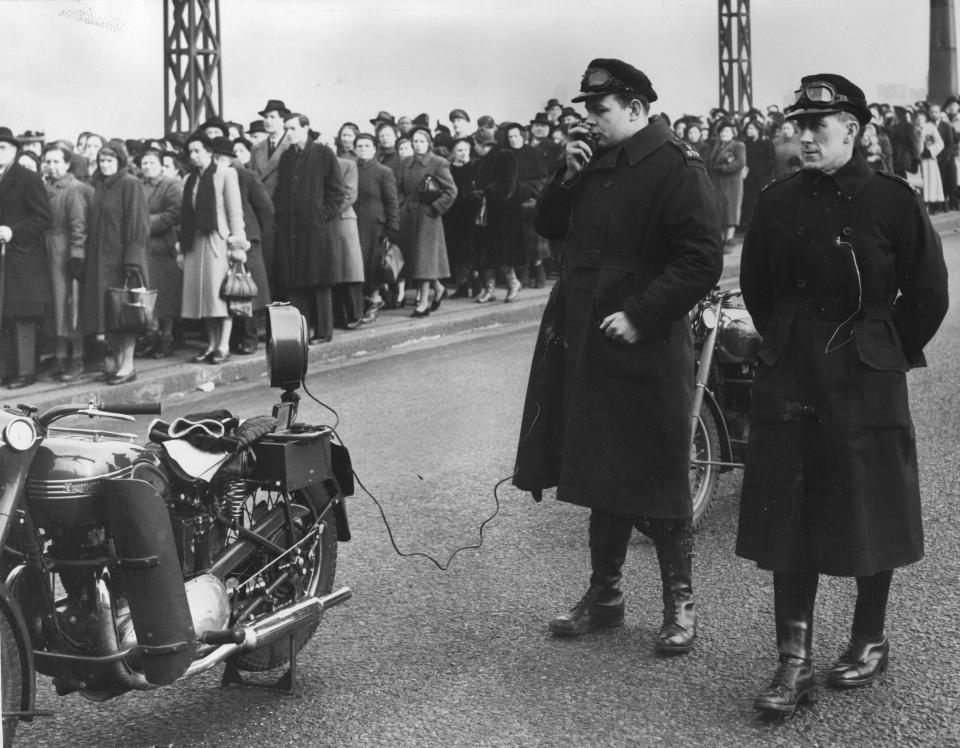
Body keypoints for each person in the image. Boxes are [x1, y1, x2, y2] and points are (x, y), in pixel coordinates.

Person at [737, 74, 948, 715]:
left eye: (817, 127)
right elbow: (757, 288)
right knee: (789, 505)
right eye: (797, 126)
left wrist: (882, 348)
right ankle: (792, 662)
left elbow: (929, 293)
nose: (802, 137)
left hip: (863, 372)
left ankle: (869, 637)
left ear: (851, 130)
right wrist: (788, 340)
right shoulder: (775, 202)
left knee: (866, 498)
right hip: (794, 367)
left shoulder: (892, 200)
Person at [513, 59, 723, 654]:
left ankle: (680, 605)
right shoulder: (594, 161)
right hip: (586, 332)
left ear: (635, 108)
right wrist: (564, 176)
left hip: (644, 340)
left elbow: (701, 258)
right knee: (597, 463)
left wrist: (641, 314)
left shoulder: (676, 166)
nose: (590, 121)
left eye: (600, 111)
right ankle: (604, 596)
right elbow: (552, 226)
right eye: (587, 110)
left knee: (657, 467)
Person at [272, 113, 345, 343]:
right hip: (292, 230)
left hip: (316, 229)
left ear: (306, 128)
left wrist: (322, 215)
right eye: (286, 129)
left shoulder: (323, 153)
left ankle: (324, 331)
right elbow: (281, 191)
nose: (289, 133)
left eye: (293, 128)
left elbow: (336, 191)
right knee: (296, 281)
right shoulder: (286, 158)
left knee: (320, 280)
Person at [82, 142, 149, 384]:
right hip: (100, 261)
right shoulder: (98, 185)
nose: (105, 165)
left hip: (122, 261)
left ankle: (128, 365)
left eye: (109, 160)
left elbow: (138, 223)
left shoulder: (130, 183)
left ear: (120, 161)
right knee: (107, 314)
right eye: (101, 161)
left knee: (125, 315)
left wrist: (133, 260)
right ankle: (120, 362)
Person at [176, 132, 247, 365]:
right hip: (195, 242)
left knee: (221, 294)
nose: (194, 156)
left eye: (198, 151)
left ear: (209, 151)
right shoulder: (189, 179)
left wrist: (237, 244)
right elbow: (185, 215)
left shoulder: (226, 173)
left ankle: (223, 344)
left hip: (218, 240)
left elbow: (234, 211)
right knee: (203, 296)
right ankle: (211, 344)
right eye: (191, 152)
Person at [0, 127, 53, 388]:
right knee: (4, 316)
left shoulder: (27, 177)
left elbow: (44, 218)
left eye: (2, 148)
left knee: (23, 317)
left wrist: (14, 232)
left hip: (23, 259)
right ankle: (6, 370)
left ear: (14, 150)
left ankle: (26, 371)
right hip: (4, 261)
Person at [41, 143, 92, 381]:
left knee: (71, 306)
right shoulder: (45, 186)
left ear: (67, 164)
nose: (51, 166)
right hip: (48, 251)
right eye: (48, 161)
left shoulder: (74, 189)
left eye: (56, 162)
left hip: (65, 253)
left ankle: (77, 358)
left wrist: (77, 255)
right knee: (56, 306)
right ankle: (60, 357)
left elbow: (78, 225)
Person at [396, 127, 457, 317]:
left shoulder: (438, 163)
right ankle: (438, 288)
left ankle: (423, 303)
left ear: (429, 143)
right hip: (409, 215)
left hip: (427, 217)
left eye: (421, 141)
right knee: (415, 259)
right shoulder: (406, 162)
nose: (417, 145)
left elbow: (451, 191)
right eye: (414, 141)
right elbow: (399, 188)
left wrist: (435, 208)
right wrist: (401, 206)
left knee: (424, 260)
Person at [138, 147, 183, 359]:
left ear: (160, 165)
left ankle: (166, 338)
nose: (147, 167)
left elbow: (175, 212)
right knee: (148, 295)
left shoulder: (171, 185)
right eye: (144, 163)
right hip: (143, 247)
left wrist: (146, 224)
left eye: (152, 163)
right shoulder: (137, 185)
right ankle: (151, 335)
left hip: (163, 245)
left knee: (166, 295)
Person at [353, 133, 399, 322]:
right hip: (355, 223)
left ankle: (375, 299)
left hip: (375, 225)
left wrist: (392, 226)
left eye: (367, 146)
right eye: (360, 146)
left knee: (373, 263)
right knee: (358, 263)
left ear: (374, 149)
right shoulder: (351, 169)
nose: (363, 149)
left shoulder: (383, 171)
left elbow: (391, 201)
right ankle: (364, 300)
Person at [330, 154, 366, 329]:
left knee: (350, 268)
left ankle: (355, 313)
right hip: (326, 222)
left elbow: (350, 194)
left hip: (343, 219)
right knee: (333, 270)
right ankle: (338, 315)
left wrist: (328, 211)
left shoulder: (347, 165)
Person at [707, 120, 746, 248]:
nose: (724, 133)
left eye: (727, 131)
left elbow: (740, 163)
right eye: (722, 131)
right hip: (718, 182)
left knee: (731, 210)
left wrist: (723, 168)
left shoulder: (738, 145)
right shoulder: (717, 145)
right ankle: (723, 239)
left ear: (733, 133)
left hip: (732, 183)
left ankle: (729, 239)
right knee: (720, 209)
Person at [250, 98, 292, 198]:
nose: (268, 121)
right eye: (265, 117)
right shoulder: (256, 149)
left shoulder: (292, 145)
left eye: (272, 117)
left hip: (284, 204)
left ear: (283, 119)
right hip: (261, 205)